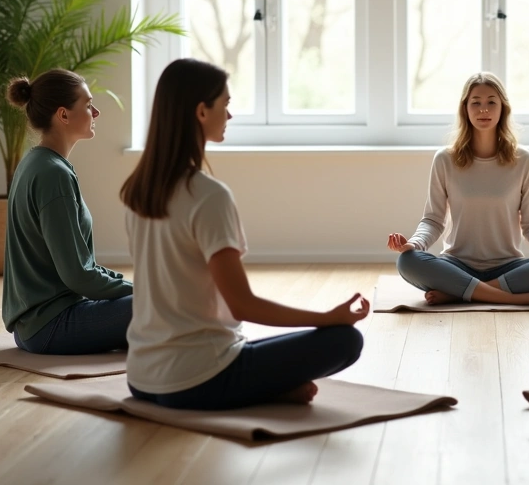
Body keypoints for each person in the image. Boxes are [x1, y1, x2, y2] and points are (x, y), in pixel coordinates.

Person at [122, 58, 367, 410]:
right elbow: (243, 304)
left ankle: (268, 388)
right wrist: (328, 318)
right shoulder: (209, 196)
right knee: (345, 340)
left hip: (141, 378)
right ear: (201, 111)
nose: (230, 114)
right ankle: (265, 389)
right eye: (225, 104)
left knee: (247, 346)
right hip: (197, 379)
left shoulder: (138, 191)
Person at [386, 72, 529, 306]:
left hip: (508, 266)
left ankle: (458, 292)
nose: (484, 109)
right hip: (456, 265)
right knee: (407, 261)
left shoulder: (524, 160)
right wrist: (414, 244)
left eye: (491, 102)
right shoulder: (445, 160)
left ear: (503, 108)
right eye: (476, 103)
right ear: (465, 109)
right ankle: (509, 297)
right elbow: (433, 220)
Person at [2, 69, 133, 354]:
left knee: (159, 302)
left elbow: (81, 268)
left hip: (37, 324)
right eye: (88, 105)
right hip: (51, 325)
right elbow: (79, 276)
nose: (96, 112)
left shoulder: (36, 163)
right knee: (168, 305)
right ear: (63, 115)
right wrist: (143, 292)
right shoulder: (53, 174)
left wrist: (130, 286)